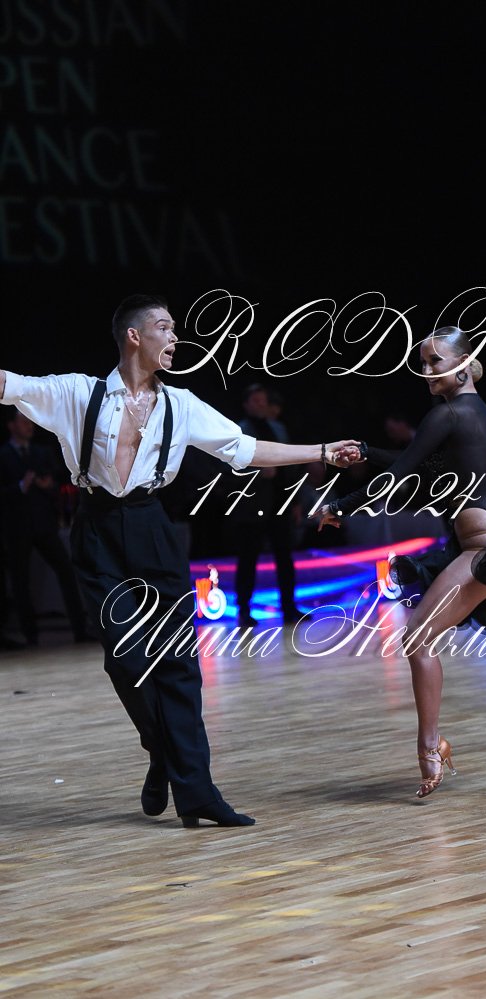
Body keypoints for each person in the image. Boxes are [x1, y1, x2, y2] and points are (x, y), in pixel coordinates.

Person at [0, 294, 356, 829]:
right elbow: (9, 384)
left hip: (152, 527)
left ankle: (197, 793)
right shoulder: (77, 393)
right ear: (134, 336)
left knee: (178, 664)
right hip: (97, 529)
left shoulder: (181, 404)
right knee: (125, 659)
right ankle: (162, 751)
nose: (174, 338)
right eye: (164, 328)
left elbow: (244, 449)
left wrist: (322, 451)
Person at [316, 327, 486, 800]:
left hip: (482, 551)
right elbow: (427, 468)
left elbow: (402, 473)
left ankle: (430, 747)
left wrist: (340, 505)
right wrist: (368, 451)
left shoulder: (446, 412)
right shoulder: (473, 410)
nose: (426, 370)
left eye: (435, 361)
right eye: (422, 363)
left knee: (417, 639)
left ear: (464, 364)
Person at [0, 409, 90, 644]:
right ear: (11, 426)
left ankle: (80, 629)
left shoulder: (42, 452)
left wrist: (47, 485)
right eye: (23, 422)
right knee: (20, 580)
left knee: (66, 571)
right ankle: (30, 635)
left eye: (30, 421)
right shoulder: (3, 455)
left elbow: (60, 481)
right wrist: (21, 486)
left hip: (44, 525)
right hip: (17, 527)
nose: (29, 426)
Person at [234, 383, 303, 627]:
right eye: (256, 400)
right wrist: (258, 473)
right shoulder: (240, 431)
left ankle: (289, 608)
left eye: (263, 400)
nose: (261, 404)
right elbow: (230, 468)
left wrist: (295, 501)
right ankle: (244, 611)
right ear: (246, 405)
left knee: (285, 557)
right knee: (248, 559)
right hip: (252, 506)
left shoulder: (278, 428)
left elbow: (290, 466)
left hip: (279, 503)